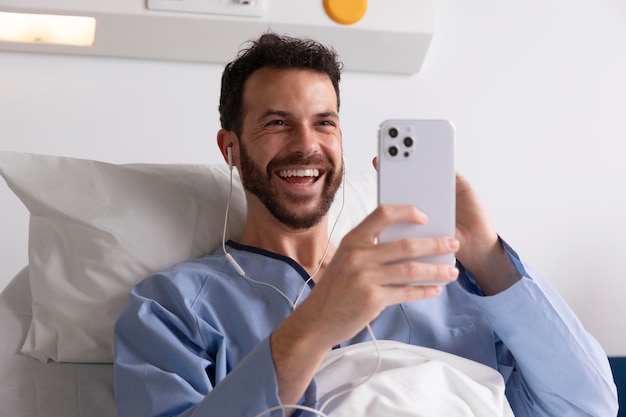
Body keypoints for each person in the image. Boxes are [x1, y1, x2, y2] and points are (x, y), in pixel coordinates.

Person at [114, 33, 618, 417]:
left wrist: (484, 252)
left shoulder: (444, 285)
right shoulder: (173, 306)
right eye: (277, 122)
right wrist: (314, 327)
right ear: (230, 148)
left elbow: (588, 405)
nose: (306, 144)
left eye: (324, 122)